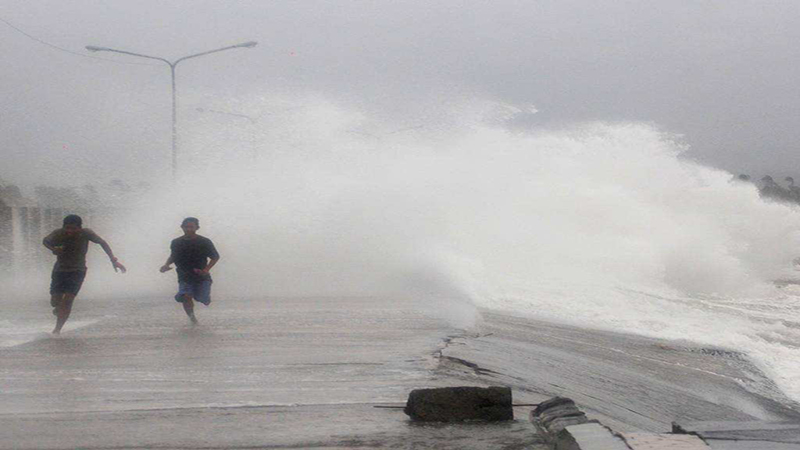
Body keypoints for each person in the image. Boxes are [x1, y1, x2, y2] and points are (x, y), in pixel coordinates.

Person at [42, 214, 126, 334]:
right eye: (67, 228)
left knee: (68, 300)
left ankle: (57, 330)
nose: (70, 231)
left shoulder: (86, 233)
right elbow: (45, 240)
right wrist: (53, 249)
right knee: (55, 301)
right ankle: (58, 309)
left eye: (73, 228)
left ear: (80, 228)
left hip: (78, 270)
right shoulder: (58, 233)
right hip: (60, 270)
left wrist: (113, 260)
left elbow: (103, 243)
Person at [160, 217, 220, 325]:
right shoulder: (176, 242)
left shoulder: (204, 241)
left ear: (197, 228)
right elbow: (173, 256)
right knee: (187, 296)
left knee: (203, 298)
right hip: (184, 275)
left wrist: (206, 270)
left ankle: (203, 297)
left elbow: (215, 257)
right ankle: (193, 319)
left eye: (191, 227)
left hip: (201, 276)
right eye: (186, 227)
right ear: (182, 227)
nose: (188, 229)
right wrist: (166, 265)